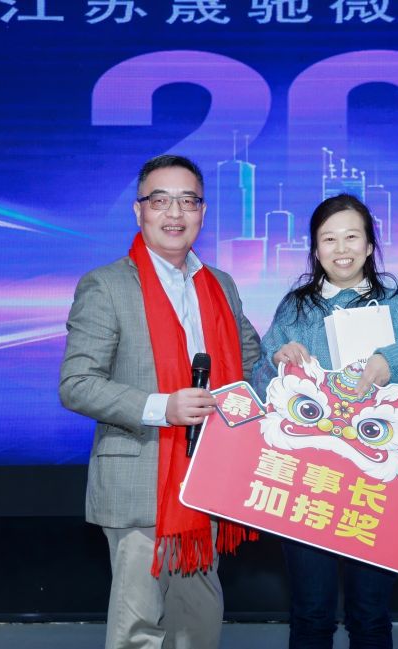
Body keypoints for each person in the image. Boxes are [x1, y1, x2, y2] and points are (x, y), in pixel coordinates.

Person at [59, 154, 261, 649]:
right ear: (139, 210)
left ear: (203, 212)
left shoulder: (220, 284)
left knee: (199, 622)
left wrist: (297, 370)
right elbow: (77, 383)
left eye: (188, 201)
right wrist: (162, 407)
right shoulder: (106, 285)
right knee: (139, 630)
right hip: (140, 479)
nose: (175, 213)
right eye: (160, 200)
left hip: (208, 478)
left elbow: (252, 362)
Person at [253, 193, 398, 649]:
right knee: (310, 614)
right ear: (315, 248)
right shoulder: (295, 308)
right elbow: (258, 384)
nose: (341, 248)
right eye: (328, 239)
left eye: (352, 237)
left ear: (369, 246)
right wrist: (277, 361)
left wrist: (395, 362)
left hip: (375, 484)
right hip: (308, 480)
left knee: (370, 616)